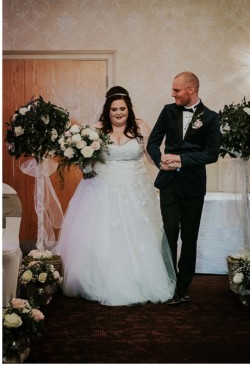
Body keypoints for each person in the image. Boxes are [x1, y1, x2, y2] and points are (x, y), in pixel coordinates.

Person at [54, 86, 176, 306]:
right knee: (102, 233)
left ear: (128, 108)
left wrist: (168, 162)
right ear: (107, 111)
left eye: (122, 109)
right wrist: (83, 164)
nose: (119, 113)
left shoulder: (141, 127)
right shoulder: (95, 129)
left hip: (135, 187)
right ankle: (98, 281)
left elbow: (151, 156)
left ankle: (139, 279)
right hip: (102, 187)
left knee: (138, 234)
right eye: (114, 110)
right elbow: (85, 157)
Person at [147, 72, 221, 305]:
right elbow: (152, 142)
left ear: (191, 89)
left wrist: (179, 160)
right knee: (168, 233)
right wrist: (161, 161)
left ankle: (183, 286)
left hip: (193, 186)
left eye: (177, 90)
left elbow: (212, 154)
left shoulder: (210, 118)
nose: (172, 93)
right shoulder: (168, 111)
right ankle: (168, 282)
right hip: (169, 185)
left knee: (190, 237)